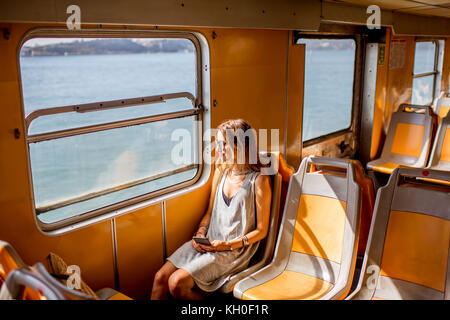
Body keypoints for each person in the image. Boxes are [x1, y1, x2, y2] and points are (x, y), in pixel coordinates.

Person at [150, 119, 272, 299]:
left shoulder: (259, 180)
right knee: (160, 278)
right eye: (219, 144)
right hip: (209, 241)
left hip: (233, 251)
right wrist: (200, 233)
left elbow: (262, 230)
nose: (219, 149)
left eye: (225, 144)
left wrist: (227, 245)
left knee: (176, 284)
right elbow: (209, 213)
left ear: (242, 146)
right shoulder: (221, 171)